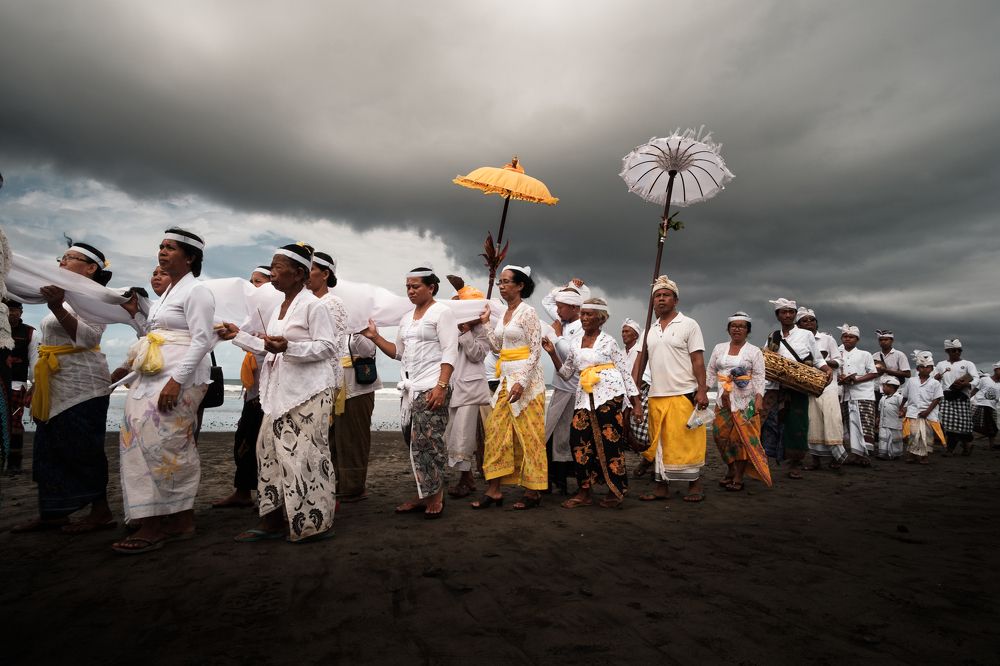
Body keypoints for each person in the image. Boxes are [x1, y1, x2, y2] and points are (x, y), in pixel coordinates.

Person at [220, 242, 339, 542]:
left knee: (305, 458)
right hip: (277, 393)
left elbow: (328, 347)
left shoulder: (315, 305)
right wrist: (239, 335)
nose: (272, 273)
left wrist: (290, 346)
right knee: (267, 453)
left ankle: (312, 525)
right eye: (271, 267)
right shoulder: (278, 309)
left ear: (299, 273)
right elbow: (270, 347)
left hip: (308, 392)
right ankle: (271, 520)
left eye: (277, 267)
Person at [114, 228, 215, 554]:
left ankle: (155, 523)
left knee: (164, 444)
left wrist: (176, 381)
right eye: (160, 246)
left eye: (170, 248)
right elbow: (153, 336)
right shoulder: (164, 297)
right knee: (140, 440)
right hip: (152, 376)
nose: (162, 252)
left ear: (190, 257)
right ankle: (180, 520)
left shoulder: (197, 292)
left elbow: (202, 340)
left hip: (179, 378)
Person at [10, 243, 115, 534]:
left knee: (83, 447)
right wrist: (35, 385)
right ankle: (53, 512)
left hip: (84, 384)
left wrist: (56, 307)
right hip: (53, 382)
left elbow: (87, 338)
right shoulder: (62, 294)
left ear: (91, 267)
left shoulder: (96, 298)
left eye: (70, 258)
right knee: (48, 448)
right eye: (62, 258)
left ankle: (101, 511)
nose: (62, 262)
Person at [363, 265, 457, 519]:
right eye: (408, 287)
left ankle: (436, 496)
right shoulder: (407, 318)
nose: (411, 291)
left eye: (416, 286)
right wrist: (375, 337)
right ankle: (423, 493)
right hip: (410, 389)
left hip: (432, 386)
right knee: (414, 443)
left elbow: (450, 352)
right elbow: (399, 353)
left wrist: (441, 386)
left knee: (430, 442)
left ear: (431, 287)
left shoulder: (442, 313)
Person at [543, 298, 641, 509]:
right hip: (584, 397)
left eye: (589, 314)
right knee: (578, 443)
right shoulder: (575, 342)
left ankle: (615, 490)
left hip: (608, 396)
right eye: (583, 314)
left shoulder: (609, 342)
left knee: (610, 443)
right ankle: (584, 491)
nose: (584, 318)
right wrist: (552, 353)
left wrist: (636, 402)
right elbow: (567, 373)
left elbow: (625, 372)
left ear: (601, 318)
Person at [472, 264, 547, 510]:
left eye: (506, 282)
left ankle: (533, 490)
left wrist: (522, 382)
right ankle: (494, 490)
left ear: (520, 285)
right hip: (505, 380)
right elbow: (497, 347)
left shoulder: (528, 313)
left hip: (527, 383)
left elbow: (536, 351)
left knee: (529, 435)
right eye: (500, 282)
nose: (502, 286)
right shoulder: (504, 314)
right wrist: (484, 324)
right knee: (495, 433)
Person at [314, 254, 381, 503]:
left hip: (356, 388)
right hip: (332, 384)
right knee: (332, 436)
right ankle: (336, 481)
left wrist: (357, 328)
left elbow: (367, 351)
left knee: (353, 436)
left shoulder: (360, 326)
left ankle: (354, 486)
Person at [637, 276, 709, 503]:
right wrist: (634, 395)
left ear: (675, 300)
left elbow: (697, 360)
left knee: (688, 441)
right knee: (660, 443)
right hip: (657, 394)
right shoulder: (649, 329)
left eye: (665, 295)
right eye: (657, 296)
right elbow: (639, 364)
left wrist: (702, 390)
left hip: (683, 392)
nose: (661, 299)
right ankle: (661, 487)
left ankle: (695, 485)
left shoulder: (689, 324)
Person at [211, 266, 271, 509]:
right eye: (251, 281)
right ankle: (243, 491)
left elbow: (269, 348)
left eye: (259, 282)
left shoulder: (276, 314)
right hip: (253, 390)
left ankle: (267, 493)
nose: (253, 286)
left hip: (270, 390)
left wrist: (239, 335)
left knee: (264, 443)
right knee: (244, 439)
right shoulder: (251, 316)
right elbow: (236, 333)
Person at [760, 298, 832, 479]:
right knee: (769, 421)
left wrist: (826, 369)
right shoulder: (772, 336)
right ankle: (767, 458)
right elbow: (763, 359)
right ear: (777, 315)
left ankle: (795, 463)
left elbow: (817, 359)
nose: (788, 315)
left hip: (798, 387)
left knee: (797, 424)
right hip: (776, 387)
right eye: (784, 312)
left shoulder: (806, 335)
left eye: (791, 312)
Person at [706, 312, 771, 491]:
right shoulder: (719, 348)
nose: (737, 329)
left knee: (740, 439)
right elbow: (711, 371)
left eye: (742, 326)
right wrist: (703, 391)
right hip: (723, 400)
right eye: (734, 326)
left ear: (747, 330)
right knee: (719, 435)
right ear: (728, 329)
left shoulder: (754, 351)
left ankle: (738, 476)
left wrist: (759, 398)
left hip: (745, 401)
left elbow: (759, 376)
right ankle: (731, 468)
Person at [444, 284, 491, 498]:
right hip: (452, 386)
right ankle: (467, 475)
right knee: (452, 432)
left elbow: (477, 355)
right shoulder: (450, 325)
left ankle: (465, 478)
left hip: (471, 389)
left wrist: (466, 331)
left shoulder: (483, 329)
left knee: (463, 434)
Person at [541, 284, 584, 494]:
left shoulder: (582, 327)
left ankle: (562, 481)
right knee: (552, 434)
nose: (557, 311)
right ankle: (554, 481)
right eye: (557, 307)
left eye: (562, 307)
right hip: (560, 386)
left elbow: (572, 354)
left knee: (566, 437)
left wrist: (557, 336)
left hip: (573, 388)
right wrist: (569, 286)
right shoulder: (564, 319)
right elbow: (546, 301)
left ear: (575, 308)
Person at [795, 308, 846, 469]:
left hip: (828, 384)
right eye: (805, 320)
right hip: (807, 386)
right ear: (799, 324)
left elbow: (839, 361)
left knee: (832, 419)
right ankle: (816, 461)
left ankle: (836, 458)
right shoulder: (796, 341)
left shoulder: (827, 339)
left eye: (812, 320)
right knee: (813, 421)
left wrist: (822, 362)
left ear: (817, 322)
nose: (809, 323)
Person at [3, 299, 37, 476]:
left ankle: (14, 464)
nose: (12, 313)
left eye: (15, 310)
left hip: (17, 385)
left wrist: (34, 386)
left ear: (21, 313)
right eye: (8, 309)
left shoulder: (29, 333)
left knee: (15, 423)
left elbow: (35, 361)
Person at [837, 324, 879, 466]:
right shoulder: (838, 353)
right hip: (846, 394)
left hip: (864, 394)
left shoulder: (865, 354)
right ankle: (854, 454)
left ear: (857, 339)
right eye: (845, 336)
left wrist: (856, 379)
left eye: (851, 337)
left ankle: (865, 456)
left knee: (865, 424)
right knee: (850, 425)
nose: (848, 339)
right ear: (842, 338)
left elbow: (873, 372)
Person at [934, 339, 978, 456]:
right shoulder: (941, 365)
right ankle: (951, 449)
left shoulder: (968, 364)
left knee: (963, 423)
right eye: (953, 350)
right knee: (948, 423)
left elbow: (976, 379)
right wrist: (936, 378)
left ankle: (965, 446)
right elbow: (933, 380)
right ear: (947, 351)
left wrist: (966, 384)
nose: (957, 352)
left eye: (959, 350)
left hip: (962, 397)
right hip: (946, 396)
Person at [899, 351, 944, 464]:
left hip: (928, 414)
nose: (925, 369)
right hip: (914, 412)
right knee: (914, 434)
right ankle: (912, 454)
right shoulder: (912, 381)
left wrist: (927, 411)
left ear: (932, 368)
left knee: (927, 435)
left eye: (928, 367)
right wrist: (901, 407)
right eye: (922, 367)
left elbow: (937, 399)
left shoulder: (935, 383)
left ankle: (924, 456)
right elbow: (905, 396)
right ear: (918, 368)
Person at [873, 329, 911, 402]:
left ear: (892, 341)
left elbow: (907, 374)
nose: (883, 342)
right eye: (881, 340)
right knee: (877, 412)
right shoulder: (874, 356)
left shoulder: (899, 355)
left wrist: (886, 370)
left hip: (894, 391)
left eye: (886, 340)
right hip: (877, 389)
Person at [971, 362, 999, 449]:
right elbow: (975, 390)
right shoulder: (985, 379)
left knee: (993, 427)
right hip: (978, 404)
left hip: (992, 407)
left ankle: (991, 445)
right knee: (970, 424)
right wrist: (968, 399)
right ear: (995, 370)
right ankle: (967, 444)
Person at [877, 377, 905, 460]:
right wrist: (878, 417)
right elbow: (879, 409)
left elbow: (904, 407)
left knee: (895, 439)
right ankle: (883, 453)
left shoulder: (899, 397)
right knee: (883, 438)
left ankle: (896, 454)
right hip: (883, 422)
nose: (883, 388)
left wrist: (902, 412)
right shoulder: (883, 398)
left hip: (894, 423)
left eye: (884, 386)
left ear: (891, 387)